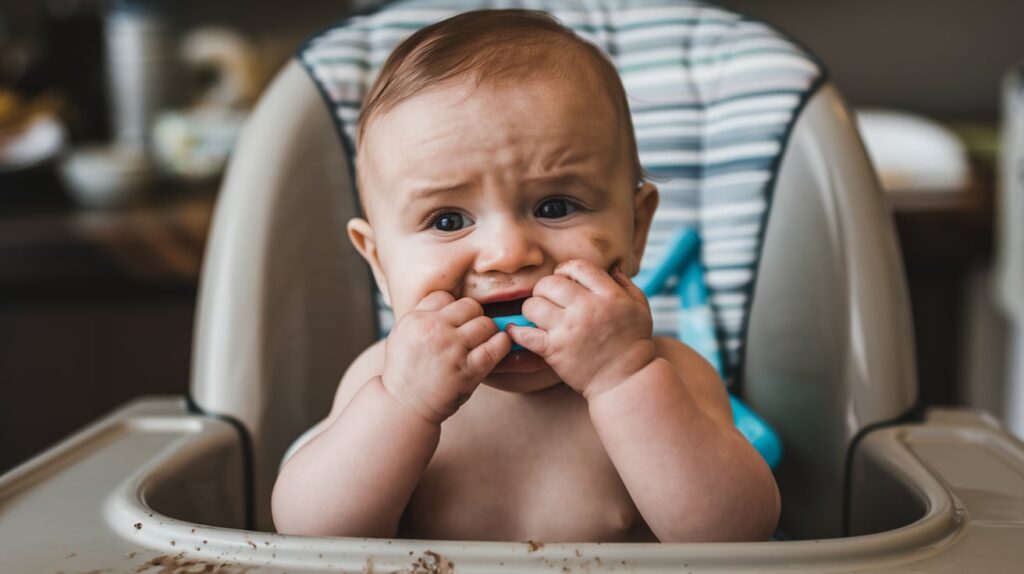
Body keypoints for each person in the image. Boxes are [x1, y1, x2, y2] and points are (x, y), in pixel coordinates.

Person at [272, 9, 779, 543]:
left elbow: (738, 536)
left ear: (636, 228)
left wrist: (621, 379)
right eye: (447, 220)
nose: (508, 254)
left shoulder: (669, 376)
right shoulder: (381, 381)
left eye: (556, 206)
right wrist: (404, 405)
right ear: (378, 261)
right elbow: (311, 535)